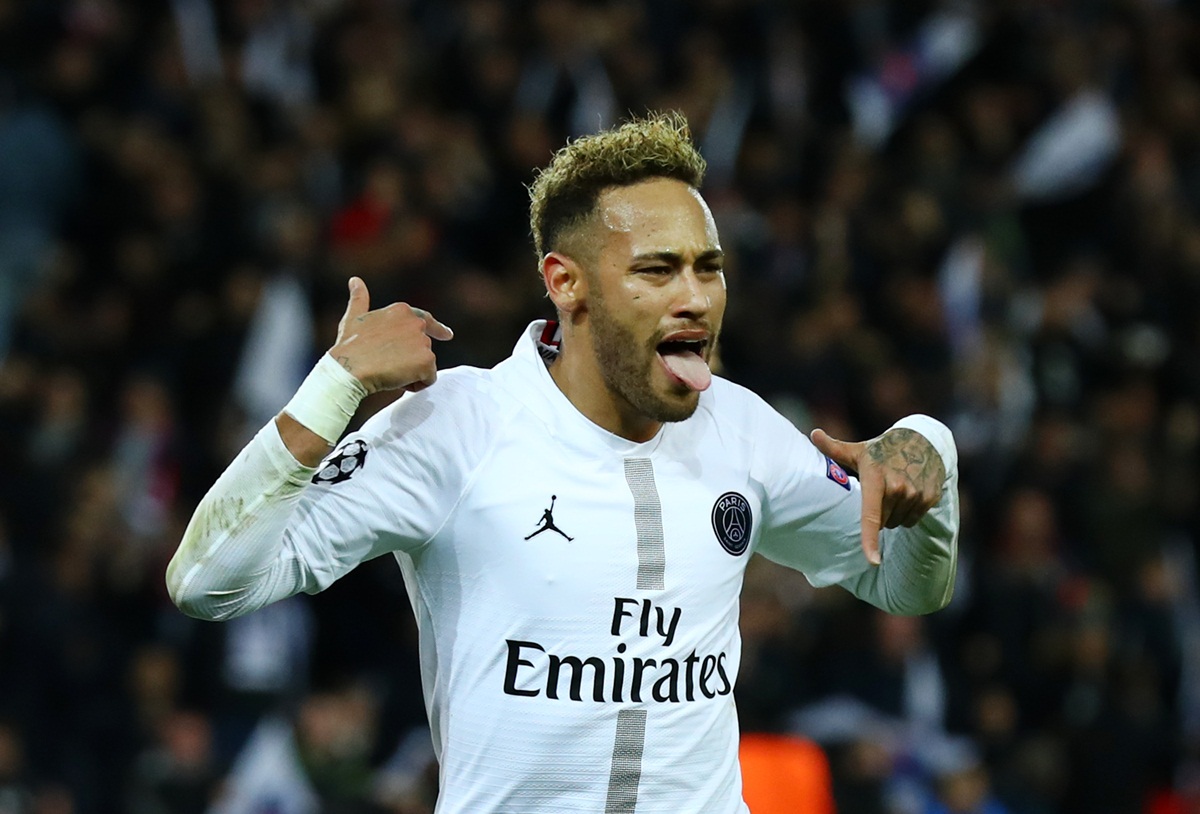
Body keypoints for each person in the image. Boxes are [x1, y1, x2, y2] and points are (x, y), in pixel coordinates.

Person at [166, 112, 959, 813]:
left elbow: (906, 584)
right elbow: (207, 584)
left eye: (708, 267)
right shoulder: (456, 428)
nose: (697, 298)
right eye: (657, 269)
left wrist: (931, 451)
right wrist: (333, 387)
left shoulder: (743, 430)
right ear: (566, 283)